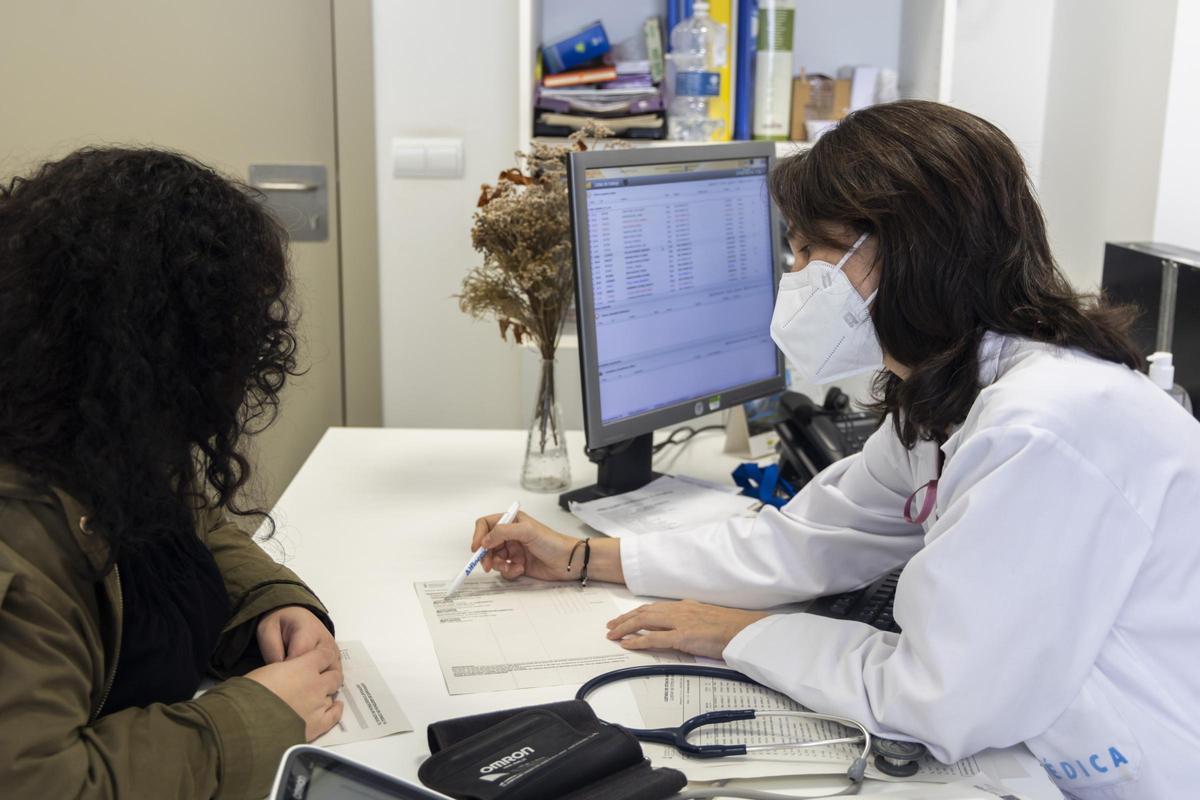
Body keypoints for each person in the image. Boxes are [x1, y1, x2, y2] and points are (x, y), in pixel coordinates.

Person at [469, 101, 1200, 799]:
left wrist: (743, 636)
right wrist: (579, 559)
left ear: (909, 250)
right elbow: (803, 543)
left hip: (1136, 771)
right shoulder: (951, 391)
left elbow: (938, 696)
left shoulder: (1045, 428)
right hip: (1041, 744)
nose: (794, 277)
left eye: (811, 248)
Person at [0, 148, 344, 798]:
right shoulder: (16, 543)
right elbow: (43, 784)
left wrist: (270, 601)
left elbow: (183, 520)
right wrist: (258, 718)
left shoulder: (86, 423)